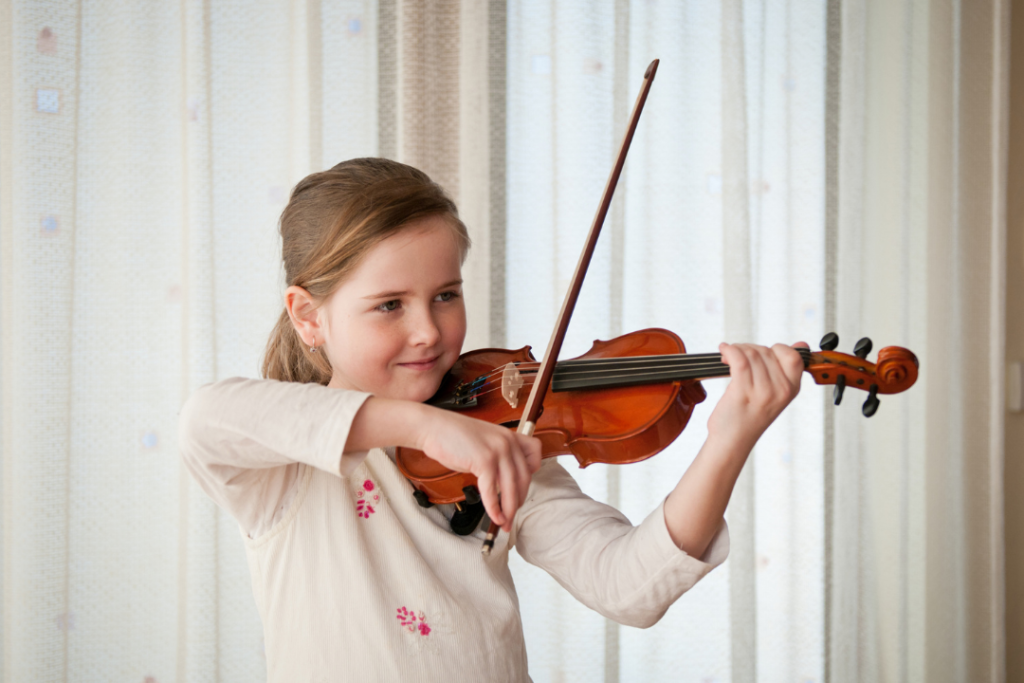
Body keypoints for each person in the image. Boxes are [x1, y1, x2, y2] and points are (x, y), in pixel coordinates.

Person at [178, 157, 807, 682]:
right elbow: (206, 417)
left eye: (445, 295)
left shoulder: (502, 438)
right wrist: (424, 427)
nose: (428, 331)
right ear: (308, 316)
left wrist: (728, 440)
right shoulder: (283, 468)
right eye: (389, 305)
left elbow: (627, 587)